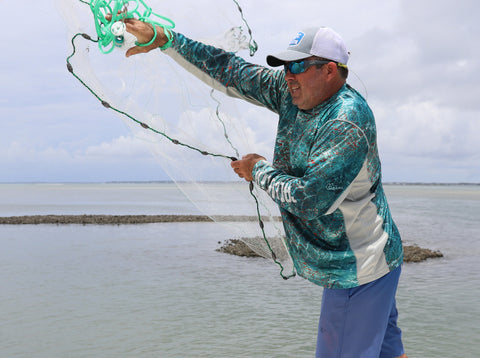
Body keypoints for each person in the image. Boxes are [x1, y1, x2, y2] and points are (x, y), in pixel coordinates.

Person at [123, 18, 408, 358]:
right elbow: (230, 70)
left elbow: (310, 199)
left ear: (330, 71)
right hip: (378, 257)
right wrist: (167, 38)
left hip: (358, 267)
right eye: (287, 65)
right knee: (387, 352)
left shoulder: (346, 122)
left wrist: (257, 169)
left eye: (299, 66)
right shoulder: (292, 90)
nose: (289, 74)